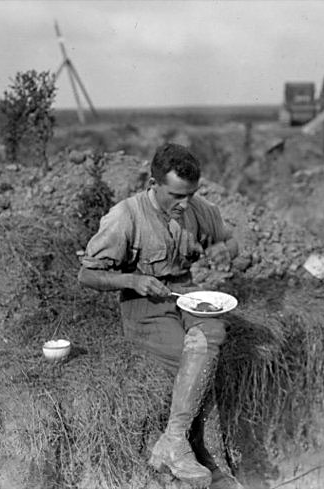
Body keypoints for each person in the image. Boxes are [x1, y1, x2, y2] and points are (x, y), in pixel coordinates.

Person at [78, 143, 243, 488]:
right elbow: (87, 275)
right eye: (176, 196)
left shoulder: (200, 209)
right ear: (153, 185)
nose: (185, 204)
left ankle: (173, 441)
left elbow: (232, 241)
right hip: (144, 307)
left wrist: (221, 250)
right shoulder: (125, 216)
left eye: (191, 194)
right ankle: (203, 457)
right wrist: (133, 280)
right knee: (194, 359)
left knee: (211, 335)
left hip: (188, 296)